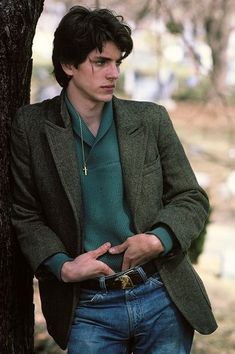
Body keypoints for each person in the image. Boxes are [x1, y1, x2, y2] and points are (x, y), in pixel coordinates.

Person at [11, 5, 217, 354]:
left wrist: (158, 239)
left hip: (160, 295)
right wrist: (63, 267)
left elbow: (190, 197)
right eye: (100, 62)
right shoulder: (31, 127)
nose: (114, 73)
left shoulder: (151, 121)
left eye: (117, 62)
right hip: (88, 308)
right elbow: (26, 214)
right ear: (68, 65)